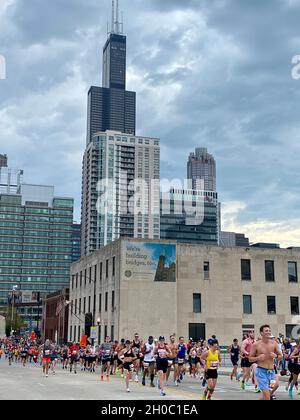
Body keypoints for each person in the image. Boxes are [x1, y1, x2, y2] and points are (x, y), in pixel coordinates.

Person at [249, 325, 282, 401]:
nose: (268, 332)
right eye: (266, 331)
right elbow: (250, 359)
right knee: (267, 397)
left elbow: (281, 356)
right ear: (261, 333)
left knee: (267, 394)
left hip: (271, 373)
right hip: (261, 372)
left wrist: (276, 356)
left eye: (269, 330)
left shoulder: (274, 343)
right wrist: (258, 358)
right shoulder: (256, 345)